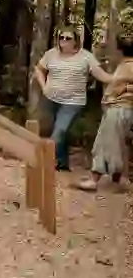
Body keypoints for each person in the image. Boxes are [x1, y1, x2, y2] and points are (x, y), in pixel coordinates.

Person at [34, 27, 114, 171]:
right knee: (60, 131)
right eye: (61, 38)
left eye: (68, 38)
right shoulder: (51, 54)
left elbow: (101, 75)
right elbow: (39, 69)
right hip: (52, 98)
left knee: (60, 130)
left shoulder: (86, 56)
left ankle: (42, 159)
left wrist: (119, 78)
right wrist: (44, 86)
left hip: (73, 102)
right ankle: (62, 163)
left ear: (76, 41)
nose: (63, 41)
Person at [77, 36, 133, 191]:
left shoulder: (130, 66)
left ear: (120, 51)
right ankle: (114, 180)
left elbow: (123, 85)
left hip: (121, 108)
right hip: (116, 108)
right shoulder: (125, 65)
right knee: (110, 143)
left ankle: (102, 179)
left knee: (108, 143)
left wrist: (125, 89)